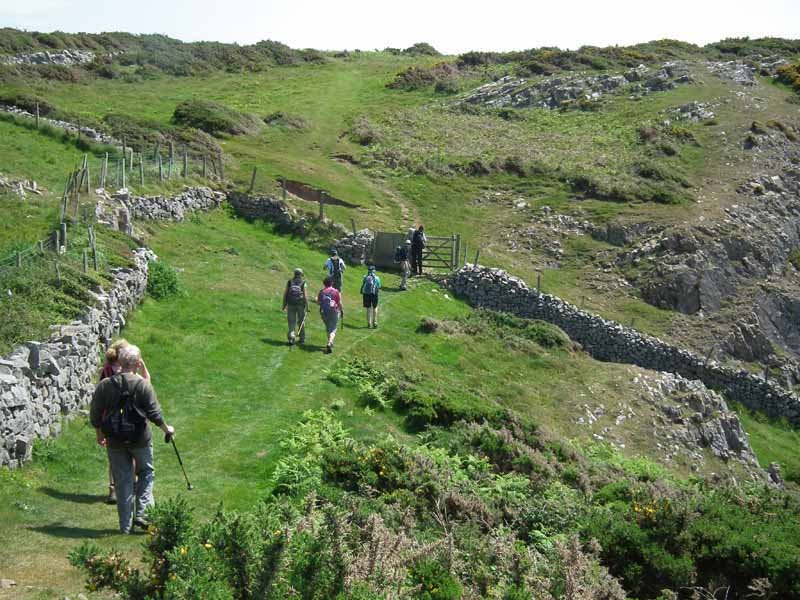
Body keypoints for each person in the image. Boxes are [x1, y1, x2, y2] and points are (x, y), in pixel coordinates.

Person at [90, 344, 174, 534]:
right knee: (146, 473)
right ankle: (142, 514)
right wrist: (166, 429)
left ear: (119, 362)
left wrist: (99, 434)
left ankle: (125, 527)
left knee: (122, 481)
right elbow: (155, 413)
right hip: (140, 439)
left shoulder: (105, 385)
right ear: (137, 363)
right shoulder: (143, 384)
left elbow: (95, 415)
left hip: (115, 440)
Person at [99, 338, 151, 504]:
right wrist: (142, 367)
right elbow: (146, 384)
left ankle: (113, 489)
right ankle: (131, 486)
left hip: (111, 418)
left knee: (115, 455)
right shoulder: (128, 371)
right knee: (134, 452)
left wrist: (99, 429)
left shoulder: (106, 370)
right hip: (131, 416)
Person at [282, 268, 309, 346]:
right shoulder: (303, 283)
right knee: (301, 321)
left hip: (290, 304)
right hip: (300, 305)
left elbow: (285, 294)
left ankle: (291, 337)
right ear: (301, 275)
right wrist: (307, 306)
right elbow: (305, 295)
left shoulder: (290, 282)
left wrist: (284, 304)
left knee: (291, 322)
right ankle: (302, 338)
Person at [316, 276, 342, 354]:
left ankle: (330, 343)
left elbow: (318, 302)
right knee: (333, 329)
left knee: (328, 328)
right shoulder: (336, 291)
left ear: (324, 283)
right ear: (332, 283)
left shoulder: (322, 292)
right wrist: (341, 310)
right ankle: (330, 342)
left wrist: (316, 299)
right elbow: (339, 303)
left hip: (324, 312)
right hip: (334, 311)